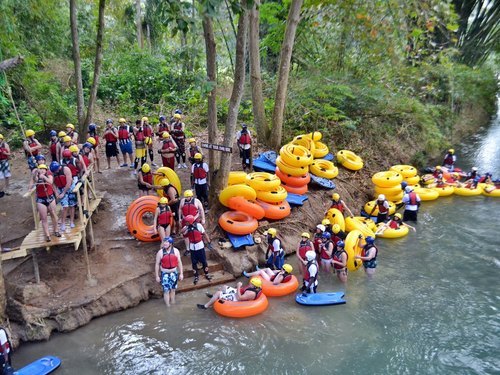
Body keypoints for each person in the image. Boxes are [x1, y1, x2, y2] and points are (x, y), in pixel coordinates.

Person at [29, 164, 60, 242]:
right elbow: (32, 184)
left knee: (53, 215)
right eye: (41, 169)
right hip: (41, 200)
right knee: (44, 218)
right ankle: (47, 235)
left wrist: (44, 177)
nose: (42, 170)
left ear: (46, 170)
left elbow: (50, 181)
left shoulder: (49, 174)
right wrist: (34, 176)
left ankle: (56, 230)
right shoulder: (37, 176)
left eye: (44, 169)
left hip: (50, 198)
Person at [181, 215, 212, 284]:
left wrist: (209, 242)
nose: (186, 223)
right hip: (192, 246)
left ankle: (206, 273)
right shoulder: (186, 227)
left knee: (204, 261)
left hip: (200, 246)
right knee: (194, 262)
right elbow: (182, 232)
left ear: (190, 221)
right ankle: (196, 276)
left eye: (187, 222)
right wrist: (185, 228)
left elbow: (204, 234)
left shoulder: (198, 226)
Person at [197, 277, 262, 310]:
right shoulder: (258, 287)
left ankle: (206, 306)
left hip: (236, 298)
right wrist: (237, 289)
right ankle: (213, 297)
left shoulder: (250, 293)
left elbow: (239, 298)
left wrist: (239, 286)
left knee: (218, 293)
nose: (249, 283)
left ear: (254, 286)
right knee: (224, 287)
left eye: (251, 283)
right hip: (239, 293)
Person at [155, 237, 183, 306]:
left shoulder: (176, 251)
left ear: (170, 243)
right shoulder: (160, 252)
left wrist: (181, 273)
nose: (164, 243)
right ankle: (168, 306)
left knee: (173, 290)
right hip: (165, 274)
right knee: (166, 291)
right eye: (164, 242)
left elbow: (179, 262)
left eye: (166, 242)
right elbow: (157, 264)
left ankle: (173, 302)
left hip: (174, 273)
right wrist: (157, 276)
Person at [50, 161, 77, 233]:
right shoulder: (53, 173)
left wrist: (64, 192)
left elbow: (69, 182)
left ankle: (71, 221)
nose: (56, 172)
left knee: (72, 205)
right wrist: (56, 192)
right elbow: (53, 184)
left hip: (70, 188)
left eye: (56, 170)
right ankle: (63, 223)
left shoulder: (66, 169)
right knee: (65, 206)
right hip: (60, 188)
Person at [179, 190, 205, 256]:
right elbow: (180, 209)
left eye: (188, 197)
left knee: (198, 232)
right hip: (186, 220)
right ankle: (188, 249)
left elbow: (201, 210)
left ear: (191, 196)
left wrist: (203, 218)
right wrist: (180, 218)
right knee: (185, 234)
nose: (187, 198)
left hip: (195, 219)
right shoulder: (182, 201)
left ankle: (201, 245)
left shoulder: (196, 201)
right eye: (186, 197)